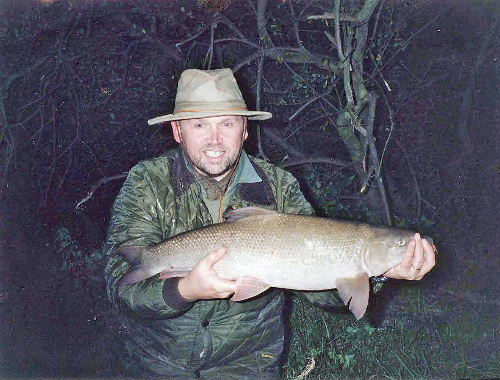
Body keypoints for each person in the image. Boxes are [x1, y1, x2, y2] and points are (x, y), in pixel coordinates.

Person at [104, 68, 436, 379]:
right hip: (158, 361)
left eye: (227, 124)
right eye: (200, 125)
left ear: (245, 129)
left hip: (247, 362)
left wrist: (380, 273)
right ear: (177, 130)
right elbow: (122, 291)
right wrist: (185, 289)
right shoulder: (147, 182)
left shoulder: (280, 186)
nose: (215, 140)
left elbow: (324, 296)